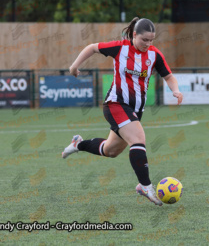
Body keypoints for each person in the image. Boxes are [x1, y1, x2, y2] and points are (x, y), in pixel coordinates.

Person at [62, 17, 183, 206]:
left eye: (151, 40)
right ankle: (145, 186)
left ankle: (78, 144)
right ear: (134, 35)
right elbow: (92, 47)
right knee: (138, 139)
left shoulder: (154, 54)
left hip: (135, 110)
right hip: (115, 104)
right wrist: (74, 66)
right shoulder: (120, 48)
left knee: (110, 151)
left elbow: (168, 76)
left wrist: (175, 90)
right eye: (145, 40)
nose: (148, 44)